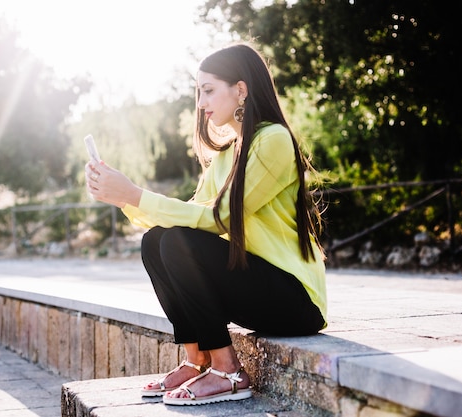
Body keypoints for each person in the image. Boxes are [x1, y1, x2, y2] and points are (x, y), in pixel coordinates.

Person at [85, 42, 328, 406]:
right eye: (199, 93)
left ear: (241, 90)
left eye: (208, 90)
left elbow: (219, 219)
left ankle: (228, 371)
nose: (201, 103)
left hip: (295, 300)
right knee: (157, 241)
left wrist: (135, 194)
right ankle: (197, 359)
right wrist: (122, 196)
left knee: (175, 242)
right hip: (256, 291)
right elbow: (190, 216)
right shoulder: (227, 154)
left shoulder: (273, 140)